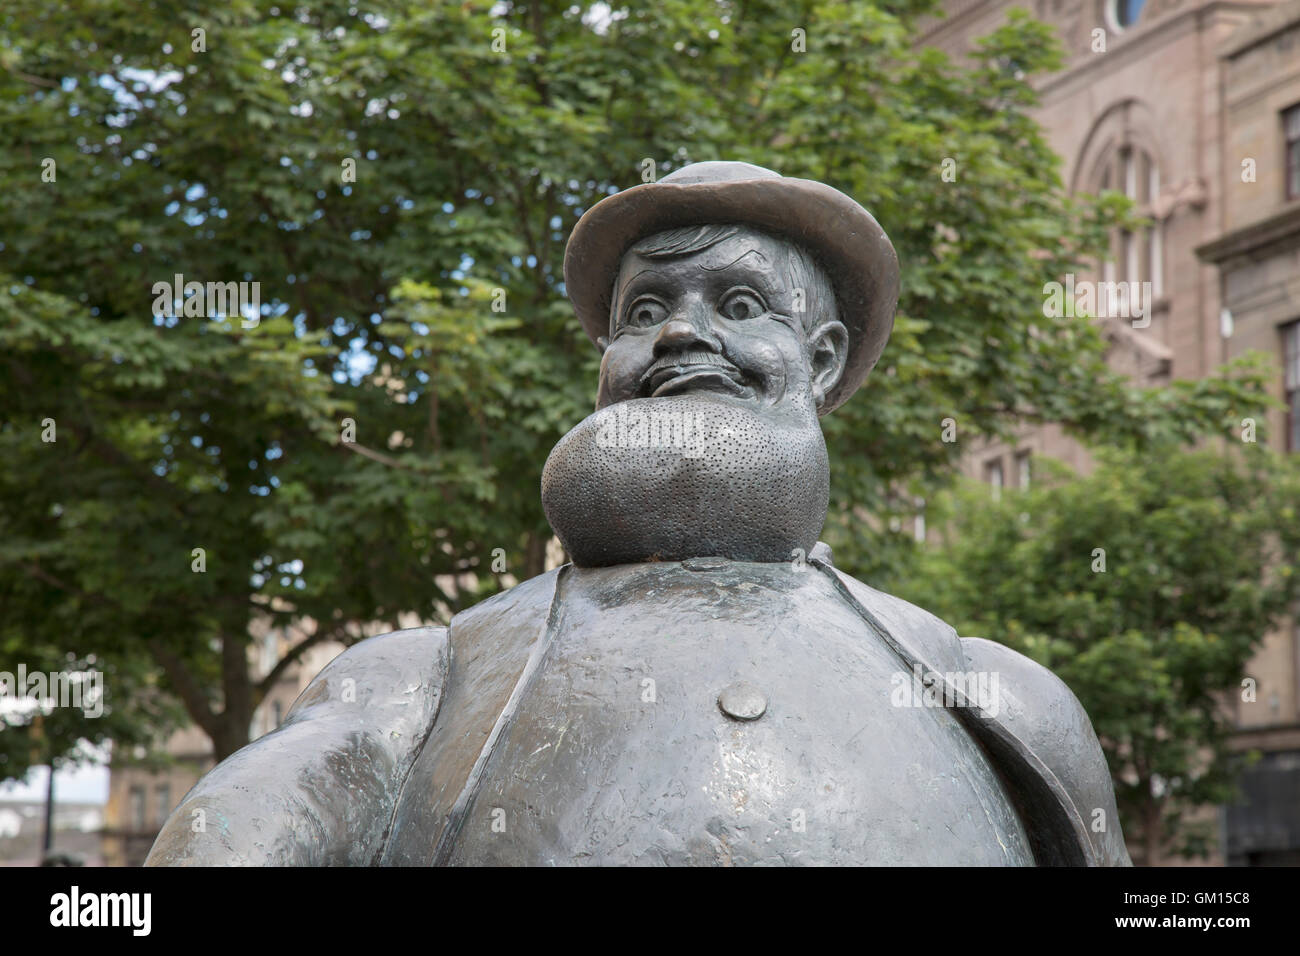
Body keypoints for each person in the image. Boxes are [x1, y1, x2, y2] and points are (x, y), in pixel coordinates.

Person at [147, 161, 1130, 866]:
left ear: (821, 361)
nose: (679, 332)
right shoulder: (424, 680)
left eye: (740, 303)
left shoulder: (998, 700)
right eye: (642, 309)